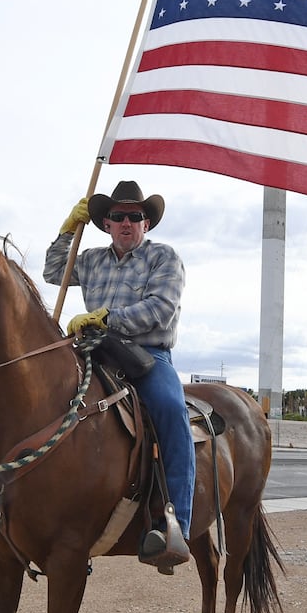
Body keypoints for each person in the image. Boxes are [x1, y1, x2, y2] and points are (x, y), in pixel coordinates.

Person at [43, 180, 193, 572]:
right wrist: (65, 231)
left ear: (146, 223)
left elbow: (160, 308)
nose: (127, 222)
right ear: (105, 223)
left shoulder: (164, 258)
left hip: (147, 354)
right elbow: (53, 271)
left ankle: (177, 526)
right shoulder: (90, 258)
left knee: (170, 409)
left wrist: (108, 317)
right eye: (118, 216)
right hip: (93, 348)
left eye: (135, 216)